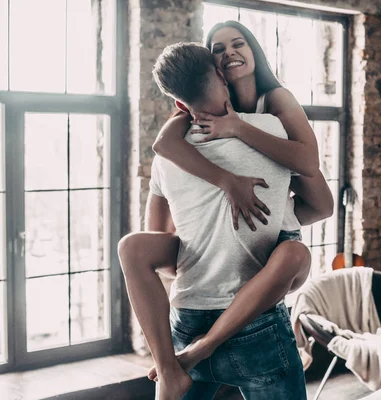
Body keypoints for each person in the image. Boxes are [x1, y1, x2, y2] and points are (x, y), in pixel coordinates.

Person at [119, 23, 332, 400]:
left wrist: (234, 130)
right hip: (257, 315)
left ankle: (170, 368)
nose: (230, 52)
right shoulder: (275, 129)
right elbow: (321, 200)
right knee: (294, 254)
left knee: (132, 246)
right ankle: (184, 361)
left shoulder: (274, 105)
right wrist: (230, 182)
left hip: (187, 316)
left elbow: (169, 262)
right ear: (217, 70)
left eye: (238, 43)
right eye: (220, 47)